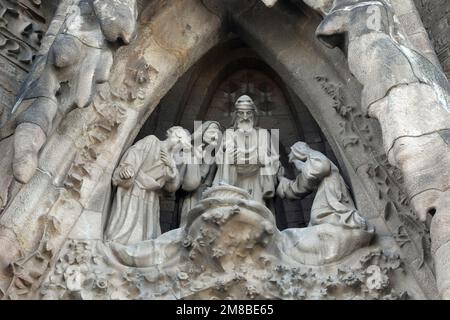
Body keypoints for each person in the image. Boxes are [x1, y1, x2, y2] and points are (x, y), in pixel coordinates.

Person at [104, 126, 191, 244]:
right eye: (179, 140)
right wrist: (128, 168)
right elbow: (134, 153)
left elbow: (171, 189)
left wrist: (172, 169)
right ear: (173, 134)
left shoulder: (171, 161)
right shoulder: (152, 141)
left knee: (145, 234)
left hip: (151, 197)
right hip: (134, 188)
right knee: (125, 224)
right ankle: (115, 244)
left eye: (181, 144)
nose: (178, 145)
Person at [277, 141, 369, 230]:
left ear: (299, 152)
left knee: (319, 215)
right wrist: (282, 180)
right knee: (316, 218)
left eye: (292, 154)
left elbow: (321, 168)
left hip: (332, 189)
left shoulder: (314, 155)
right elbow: (301, 185)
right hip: (325, 190)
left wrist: (301, 166)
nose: (290, 157)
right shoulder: (309, 165)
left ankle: (353, 222)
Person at [213, 95, 280, 205]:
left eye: (248, 113)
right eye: (241, 113)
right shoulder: (229, 133)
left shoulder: (263, 134)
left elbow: (274, 160)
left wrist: (261, 158)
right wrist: (230, 154)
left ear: (254, 114)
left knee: (256, 211)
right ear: (236, 115)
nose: (245, 117)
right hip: (234, 179)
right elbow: (219, 158)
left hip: (255, 180)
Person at [179, 121, 222, 228]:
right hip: (191, 195)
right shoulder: (189, 150)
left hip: (207, 196)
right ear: (202, 132)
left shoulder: (215, 156)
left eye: (218, 133)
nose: (215, 135)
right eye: (212, 131)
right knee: (189, 223)